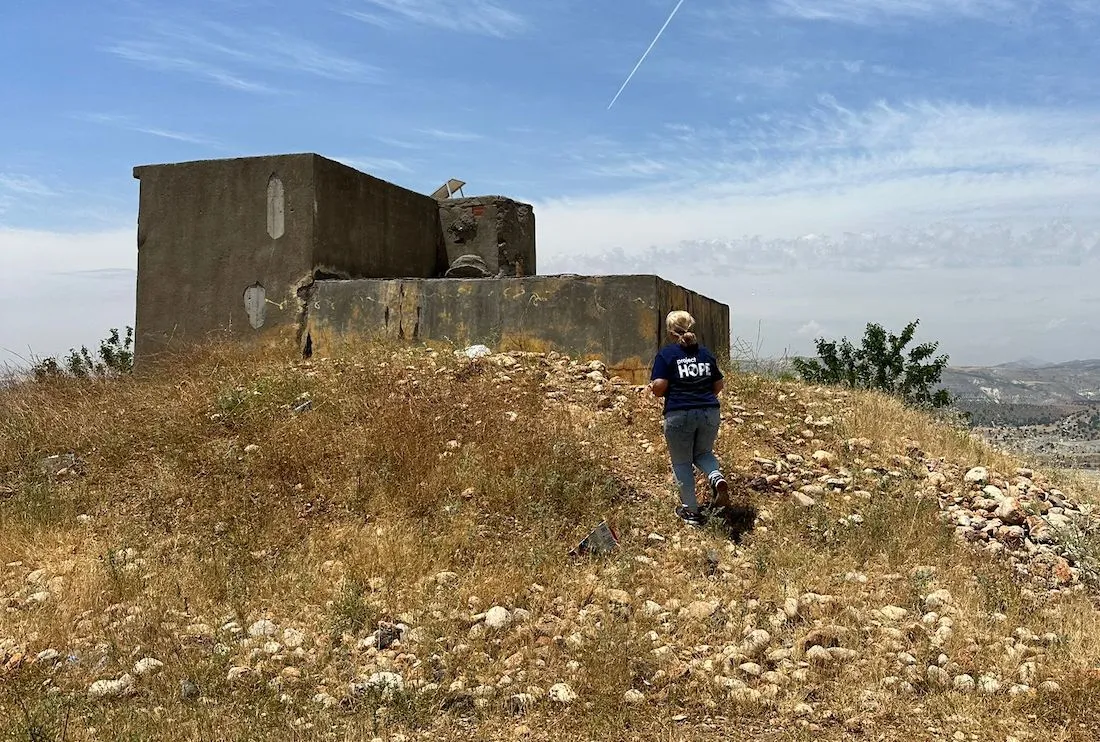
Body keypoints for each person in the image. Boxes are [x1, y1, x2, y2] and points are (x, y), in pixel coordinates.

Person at [649, 310, 730, 527]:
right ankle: (715, 475)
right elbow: (718, 385)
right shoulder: (705, 353)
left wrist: (655, 387)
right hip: (710, 412)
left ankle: (691, 512)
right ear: (691, 326)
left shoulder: (667, 355)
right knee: (703, 452)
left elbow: (659, 388)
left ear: (670, 330)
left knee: (682, 462)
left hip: (679, 413)